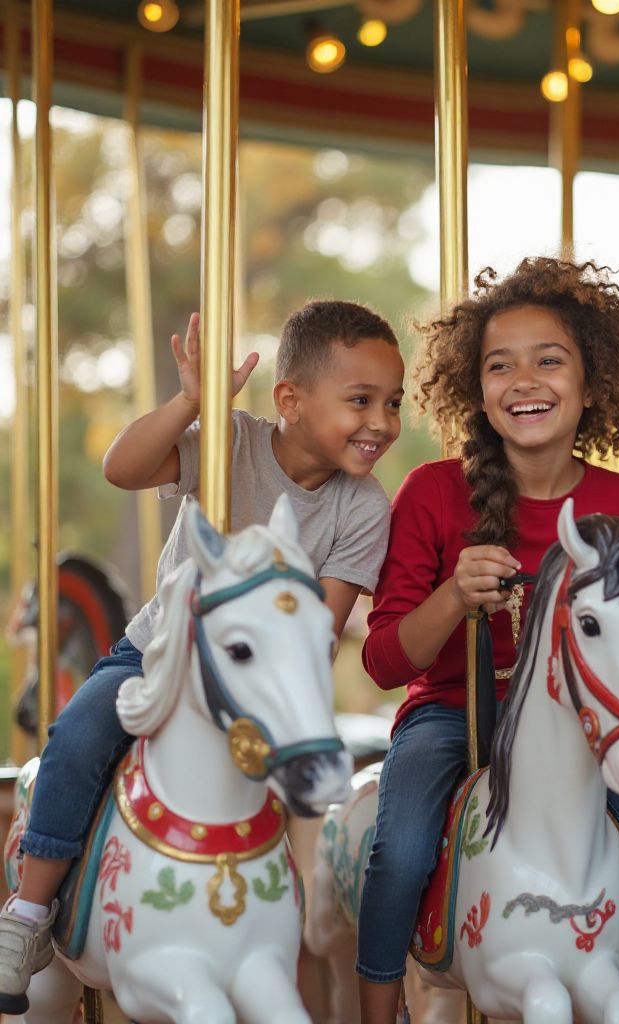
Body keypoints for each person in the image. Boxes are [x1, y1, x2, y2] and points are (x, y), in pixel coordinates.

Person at [0, 300, 405, 1015]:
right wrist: (191, 403)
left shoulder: (364, 507)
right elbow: (123, 467)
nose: (381, 421)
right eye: (360, 400)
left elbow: (321, 625)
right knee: (81, 732)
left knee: (308, 776)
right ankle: (30, 912)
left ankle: (284, 935)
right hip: (160, 655)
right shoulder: (231, 443)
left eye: (392, 403)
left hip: (259, 684)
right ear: (289, 400)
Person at [358, 256, 619, 1024]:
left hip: (576, 721)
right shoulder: (434, 492)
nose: (524, 380)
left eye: (549, 360)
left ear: (592, 383)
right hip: (449, 711)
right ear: (478, 391)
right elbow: (383, 660)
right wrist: (453, 597)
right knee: (400, 851)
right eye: (501, 366)